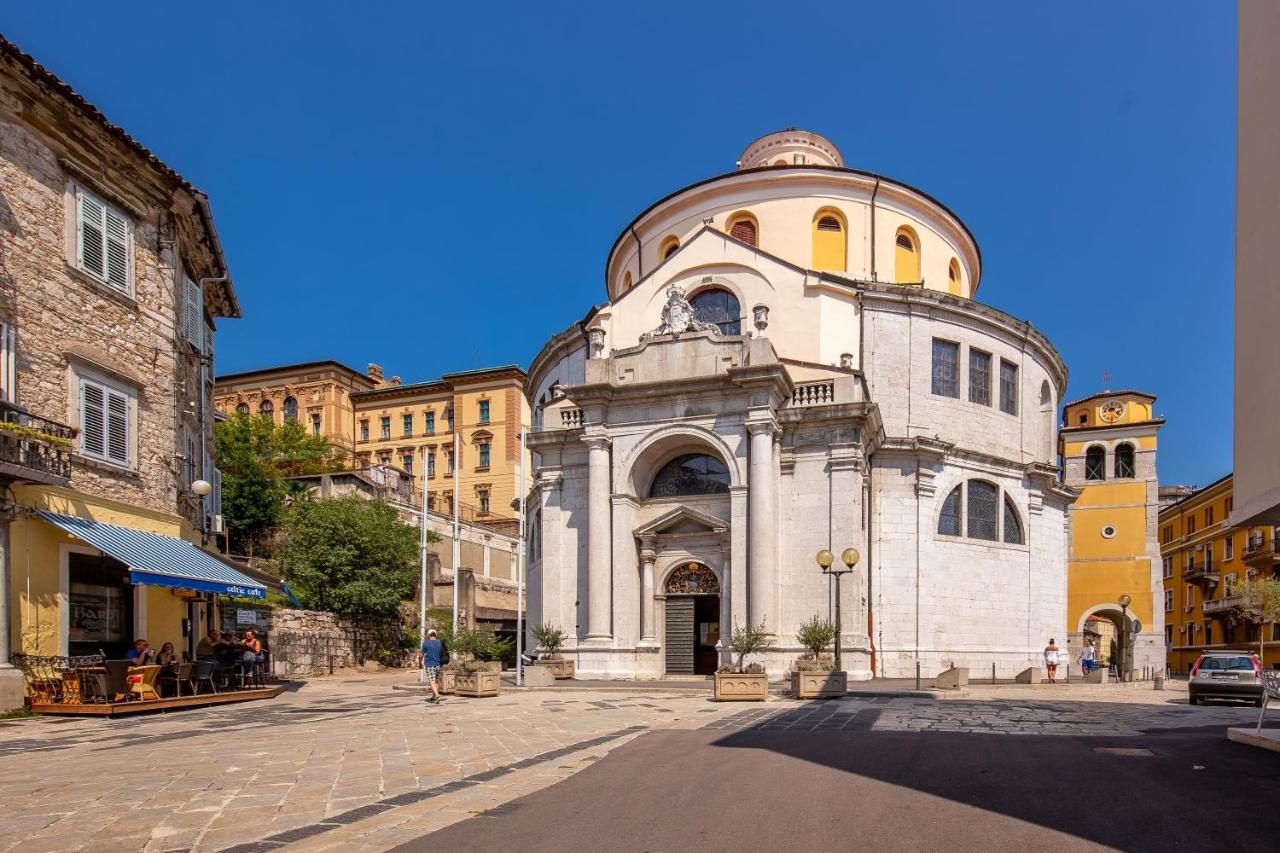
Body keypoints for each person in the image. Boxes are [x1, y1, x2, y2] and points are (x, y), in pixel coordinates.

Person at [420, 628, 445, 705]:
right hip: (438, 664)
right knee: (436, 681)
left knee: (432, 681)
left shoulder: (426, 643)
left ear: (428, 635)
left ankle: (437, 696)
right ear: (436, 635)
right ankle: (434, 697)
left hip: (430, 665)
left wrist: (420, 663)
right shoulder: (439, 642)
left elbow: (421, 655)